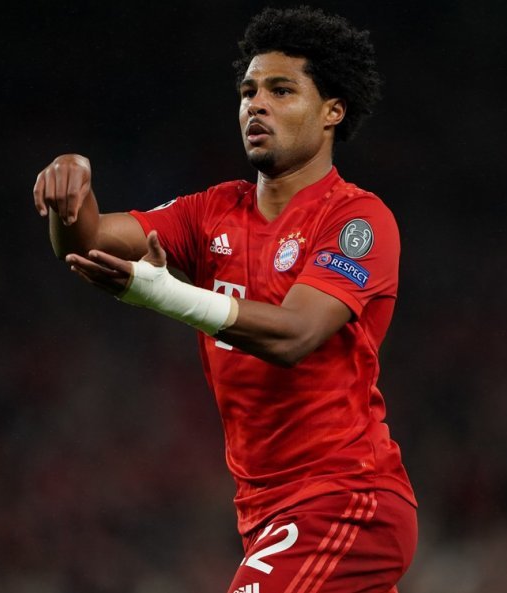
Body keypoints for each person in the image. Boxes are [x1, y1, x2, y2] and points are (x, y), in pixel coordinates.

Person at [32, 7, 417, 592]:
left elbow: (295, 335)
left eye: (281, 90)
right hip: (265, 512)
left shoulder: (357, 219)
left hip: (344, 499)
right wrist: (71, 184)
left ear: (332, 111)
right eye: (248, 92)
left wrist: (167, 295)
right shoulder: (212, 211)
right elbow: (85, 241)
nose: (255, 105)